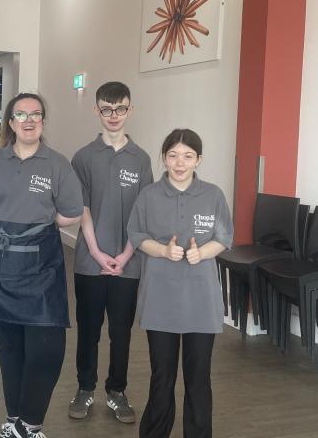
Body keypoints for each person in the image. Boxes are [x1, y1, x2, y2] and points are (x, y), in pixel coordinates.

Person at [0, 92, 83, 438]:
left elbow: (72, 212)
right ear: (10, 122)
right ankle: (17, 422)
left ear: (43, 121)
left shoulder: (57, 164)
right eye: (21, 114)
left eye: (36, 114)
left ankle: (29, 423)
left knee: (46, 349)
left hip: (42, 267)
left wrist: (43, 221)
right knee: (10, 348)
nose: (29, 120)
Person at [127, 128, 233, 438]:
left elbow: (224, 237)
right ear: (164, 158)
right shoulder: (148, 195)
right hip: (160, 297)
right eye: (173, 155)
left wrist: (203, 253)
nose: (180, 162)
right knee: (162, 376)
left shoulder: (213, 195)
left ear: (198, 159)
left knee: (198, 377)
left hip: (202, 299)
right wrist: (162, 250)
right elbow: (136, 234)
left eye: (187, 156)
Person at [68, 81, 153, 423]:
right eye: (107, 108)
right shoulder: (83, 157)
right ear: (97, 111)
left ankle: (116, 391)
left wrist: (127, 256)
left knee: (121, 332)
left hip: (128, 265)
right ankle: (85, 389)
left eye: (120, 109)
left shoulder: (142, 159)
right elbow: (81, 208)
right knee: (88, 330)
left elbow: (143, 214)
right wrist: (96, 251)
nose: (113, 115)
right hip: (90, 262)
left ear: (130, 110)